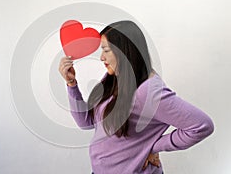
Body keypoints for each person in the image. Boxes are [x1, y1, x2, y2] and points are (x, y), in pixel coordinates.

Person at [59, 20, 214, 174]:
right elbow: (86, 123)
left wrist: (153, 146)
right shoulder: (115, 78)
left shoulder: (148, 91)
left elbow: (201, 126)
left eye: (106, 50)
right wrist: (71, 84)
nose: (101, 57)